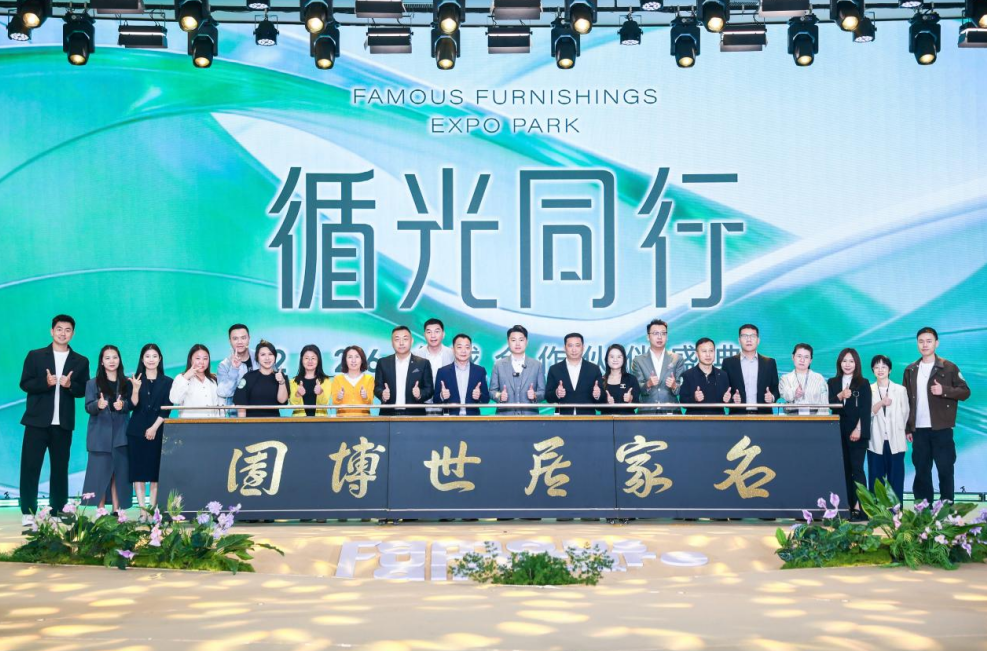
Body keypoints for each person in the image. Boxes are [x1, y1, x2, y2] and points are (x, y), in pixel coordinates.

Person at [18, 315, 91, 525]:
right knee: (30, 467)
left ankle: (58, 510)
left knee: (60, 468)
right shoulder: (35, 356)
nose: (62, 333)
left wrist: (70, 385)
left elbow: (83, 389)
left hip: (63, 424)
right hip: (36, 422)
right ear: (52, 331)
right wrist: (45, 382)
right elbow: (25, 383)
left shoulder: (81, 361)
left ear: (72, 334)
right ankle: (28, 512)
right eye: (59, 329)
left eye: (67, 330)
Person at [903, 327, 971, 505]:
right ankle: (923, 509)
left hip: (942, 429)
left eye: (929, 341)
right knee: (921, 470)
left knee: (945, 468)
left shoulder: (949, 367)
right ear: (917, 344)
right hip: (919, 430)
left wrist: (944, 390)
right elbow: (906, 401)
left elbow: (965, 392)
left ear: (936, 343)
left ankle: (946, 507)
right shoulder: (910, 369)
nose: (924, 345)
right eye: (921, 341)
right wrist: (908, 427)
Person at [81, 345, 133, 513]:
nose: (112, 361)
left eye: (115, 357)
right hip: (99, 436)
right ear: (102, 362)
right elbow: (88, 406)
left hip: (121, 435)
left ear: (119, 360)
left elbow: (132, 404)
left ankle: (117, 510)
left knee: (119, 474)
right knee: (100, 475)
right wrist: (98, 404)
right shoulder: (92, 383)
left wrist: (123, 405)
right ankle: (101, 510)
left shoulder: (127, 383)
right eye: (107, 358)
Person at [126, 344, 173, 511]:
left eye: (154, 356)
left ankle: (152, 510)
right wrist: (135, 389)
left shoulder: (168, 382)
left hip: (158, 430)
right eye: (147, 356)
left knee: (155, 473)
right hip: (136, 431)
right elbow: (131, 405)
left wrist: (154, 428)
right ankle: (142, 510)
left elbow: (166, 408)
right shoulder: (134, 380)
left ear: (160, 359)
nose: (151, 359)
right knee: (137, 472)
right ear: (142, 359)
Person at [828, 348, 871, 519]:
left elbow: (865, 409)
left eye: (851, 361)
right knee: (843, 470)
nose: (847, 364)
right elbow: (828, 404)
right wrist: (840, 395)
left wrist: (859, 429)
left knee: (857, 469)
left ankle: (860, 507)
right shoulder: (832, 382)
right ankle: (845, 507)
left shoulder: (863, 383)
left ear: (856, 363)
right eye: (844, 361)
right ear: (839, 363)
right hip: (838, 431)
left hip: (857, 431)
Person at [868, 355, 908, 501]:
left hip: (895, 441)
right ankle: (876, 511)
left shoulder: (900, 390)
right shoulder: (868, 389)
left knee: (896, 479)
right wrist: (881, 403)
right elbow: (866, 414)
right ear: (873, 370)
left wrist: (897, 429)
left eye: (883, 367)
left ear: (889, 370)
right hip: (875, 440)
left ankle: (896, 511)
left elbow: (905, 413)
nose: (880, 370)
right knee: (875, 480)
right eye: (876, 367)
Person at [374, 325, 434, 416]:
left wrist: (420, 394)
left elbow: (429, 389)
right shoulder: (382, 362)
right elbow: (377, 387)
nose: (401, 343)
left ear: (411, 341)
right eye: (397, 339)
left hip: (415, 415)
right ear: (392, 342)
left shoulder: (423, 363)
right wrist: (382, 394)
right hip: (388, 414)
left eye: (405, 339)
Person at [722, 324, 779, 415]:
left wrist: (771, 397)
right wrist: (732, 398)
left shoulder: (770, 363)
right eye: (745, 336)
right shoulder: (728, 363)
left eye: (752, 336)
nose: (749, 340)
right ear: (739, 340)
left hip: (764, 416)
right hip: (737, 416)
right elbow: (724, 390)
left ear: (758, 340)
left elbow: (776, 388)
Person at [490, 325, 545, 416]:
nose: (517, 344)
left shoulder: (537, 365)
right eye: (513, 340)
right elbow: (492, 391)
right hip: (504, 417)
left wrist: (535, 395)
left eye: (521, 340)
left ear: (526, 342)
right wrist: (499, 396)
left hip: (530, 417)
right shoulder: (498, 365)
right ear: (508, 342)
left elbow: (543, 392)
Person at [631, 319, 685, 413]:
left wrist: (674, 386)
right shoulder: (638, 361)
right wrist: (648, 384)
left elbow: (683, 389)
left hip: (671, 412)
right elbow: (636, 388)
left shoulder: (677, 359)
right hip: (647, 412)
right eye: (655, 333)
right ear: (648, 337)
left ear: (667, 337)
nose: (660, 337)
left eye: (663, 333)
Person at [545, 333, 603, 415]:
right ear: (564, 348)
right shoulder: (554, 369)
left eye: (577, 345)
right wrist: (557, 393)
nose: (574, 349)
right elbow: (548, 397)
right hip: (563, 418)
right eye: (570, 346)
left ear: (583, 347)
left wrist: (598, 394)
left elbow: (602, 398)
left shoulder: (594, 369)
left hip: (587, 418)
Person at [435, 334, 490, 416]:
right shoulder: (443, 372)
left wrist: (479, 395)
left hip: (473, 418)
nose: (463, 351)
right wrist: (442, 396)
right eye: (459, 347)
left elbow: (486, 400)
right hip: (450, 418)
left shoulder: (480, 371)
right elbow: (435, 400)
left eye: (467, 347)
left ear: (471, 349)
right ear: (453, 349)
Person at [234, 340, 288, 418]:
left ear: (275, 357)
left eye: (270, 354)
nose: (267, 358)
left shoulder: (281, 377)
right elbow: (241, 404)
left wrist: (281, 382)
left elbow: (282, 401)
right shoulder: (248, 377)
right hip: (252, 422)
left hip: (274, 422)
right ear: (257, 357)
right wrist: (243, 424)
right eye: (263, 355)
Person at [679, 338, 732, 415]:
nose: (708, 355)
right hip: (695, 420)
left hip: (718, 419)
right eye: (704, 351)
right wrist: (694, 398)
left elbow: (727, 401)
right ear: (697, 354)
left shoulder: (723, 375)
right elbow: (683, 402)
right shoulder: (687, 375)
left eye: (711, 351)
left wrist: (728, 400)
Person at [169, 345, 223, 419]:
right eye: (198, 358)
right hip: (190, 424)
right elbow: (175, 399)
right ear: (190, 360)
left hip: (212, 424)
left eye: (205, 358)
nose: (202, 362)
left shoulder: (213, 380)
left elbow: (218, 407)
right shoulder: (181, 378)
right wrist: (186, 377)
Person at [413, 318, 455, 415]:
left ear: (443, 334)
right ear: (424, 334)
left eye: (437, 331)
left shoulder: (452, 355)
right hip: (421, 405)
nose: (433, 336)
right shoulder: (415, 355)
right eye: (429, 332)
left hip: (447, 406)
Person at [778, 343, 829, 415]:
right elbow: (785, 394)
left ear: (810, 360)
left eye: (806, 357)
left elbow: (824, 403)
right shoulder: (785, 378)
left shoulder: (819, 378)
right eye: (799, 356)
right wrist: (794, 393)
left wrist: (820, 420)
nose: (802, 360)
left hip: (815, 418)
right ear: (793, 357)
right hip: (791, 418)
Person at [217, 324, 256, 413]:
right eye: (235, 339)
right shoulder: (224, 365)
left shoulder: (260, 357)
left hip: (263, 412)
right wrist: (234, 369)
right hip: (237, 415)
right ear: (230, 341)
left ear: (249, 338)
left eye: (243, 338)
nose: (240, 342)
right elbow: (223, 392)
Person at [330, 345, 376, 417]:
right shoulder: (337, 379)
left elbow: (370, 403)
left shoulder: (369, 379)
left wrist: (365, 397)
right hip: (342, 419)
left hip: (363, 420)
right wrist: (339, 397)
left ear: (362, 360)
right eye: (350, 357)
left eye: (357, 357)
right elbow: (334, 403)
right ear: (345, 360)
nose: (353, 360)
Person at [289, 344, 332, 417]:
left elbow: (325, 404)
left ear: (318, 360)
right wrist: (298, 394)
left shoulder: (326, 381)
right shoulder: (293, 381)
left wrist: (320, 392)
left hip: (321, 420)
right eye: (306, 358)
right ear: (302, 360)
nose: (310, 361)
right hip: (299, 421)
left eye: (313, 358)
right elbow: (293, 404)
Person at [598, 344, 640, 415]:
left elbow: (636, 404)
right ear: (607, 359)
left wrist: (630, 399)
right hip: (606, 420)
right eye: (612, 357)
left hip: (627, 420)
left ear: (624, 359)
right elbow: (597, 407)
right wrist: (606, 402)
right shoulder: (601, 380)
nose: (615, 360)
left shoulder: (631, 379)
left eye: (619, 357)